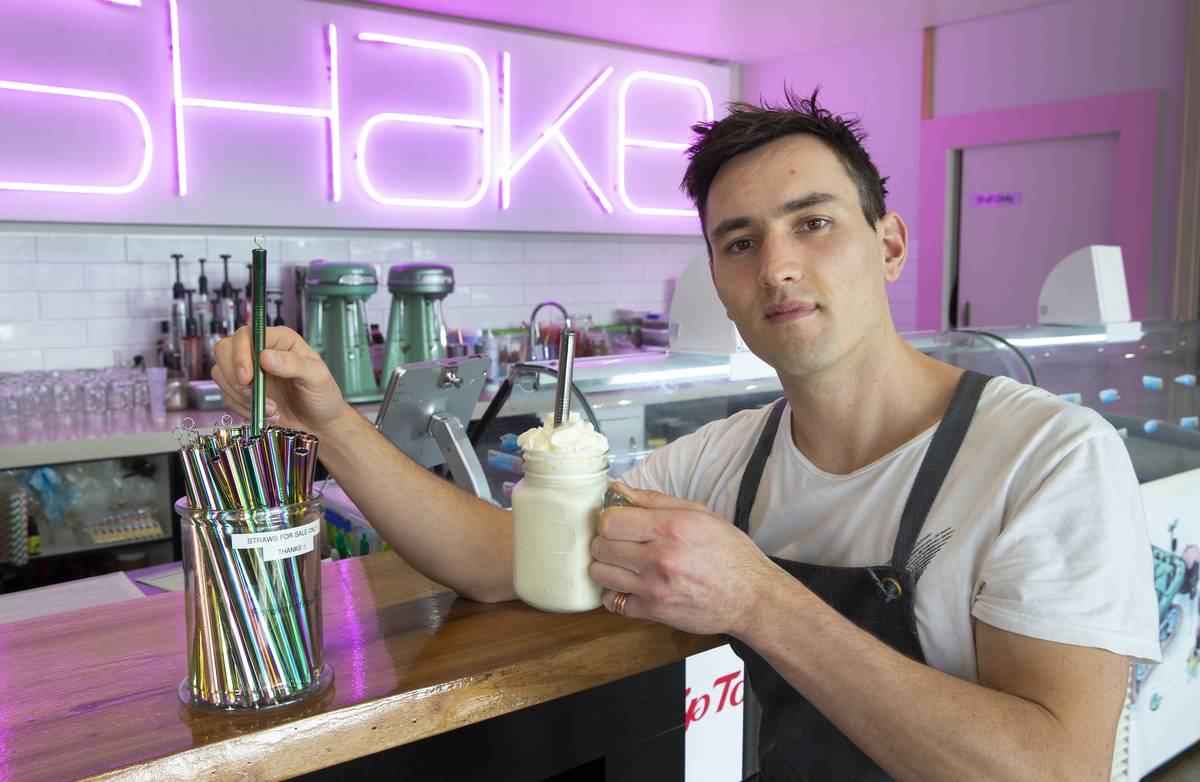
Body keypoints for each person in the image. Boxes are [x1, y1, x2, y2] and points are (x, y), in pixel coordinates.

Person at [213, 88, 1159, 780]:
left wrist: (758, 597)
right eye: (740, 242)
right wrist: (328, 424)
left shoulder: (1048, 458)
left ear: (890, 243)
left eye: (814, 223)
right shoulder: (724, 459)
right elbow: (496, 561)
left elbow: (1057, 769)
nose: (778, 266)